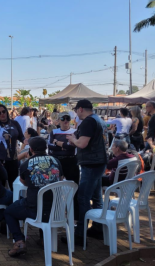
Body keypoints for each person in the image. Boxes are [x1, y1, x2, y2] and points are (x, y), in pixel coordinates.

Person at [5, 136, 63, 257]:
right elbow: (61, 179)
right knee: (44, 199)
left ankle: (19, 242)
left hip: (34, 209)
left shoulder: (26, 164)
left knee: (9, 211)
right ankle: (43, 239)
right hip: (56, 209)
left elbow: (24, 182)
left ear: (30, 149)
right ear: (46, 148)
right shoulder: (56, 161)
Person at [66, 99, 107, 245]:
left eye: (76, 110)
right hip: (98, 162)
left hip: (91, 164)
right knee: (97, 198)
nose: (76, 113)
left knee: (83, 198)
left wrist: (73, 139)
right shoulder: (98, 120)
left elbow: (82, 144)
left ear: (81, 109)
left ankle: (80, 235)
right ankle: (97, 228)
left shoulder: (89, 122)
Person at [47, 111, 79, 217]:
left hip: (71, 161)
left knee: (74, 188)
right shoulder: (54, 132)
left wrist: (58, 143)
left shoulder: (75, 131)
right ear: (58, 120)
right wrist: (64, 145)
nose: (65, 121)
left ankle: (74, 215)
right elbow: (50, 146)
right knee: (54, 187)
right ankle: (55, 214)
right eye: (63, 119)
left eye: (67, 119)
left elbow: (73, 147)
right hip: (56, 161)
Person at [0, 104, 24, 190]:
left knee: (14, 184)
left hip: (13, 158)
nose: (2, 114)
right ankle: (1, 202)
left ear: (6, 112)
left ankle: (14, 201)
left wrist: (27, 141)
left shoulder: (15, 123)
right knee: (0, 184)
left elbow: (21, 137)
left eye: (3, 111)